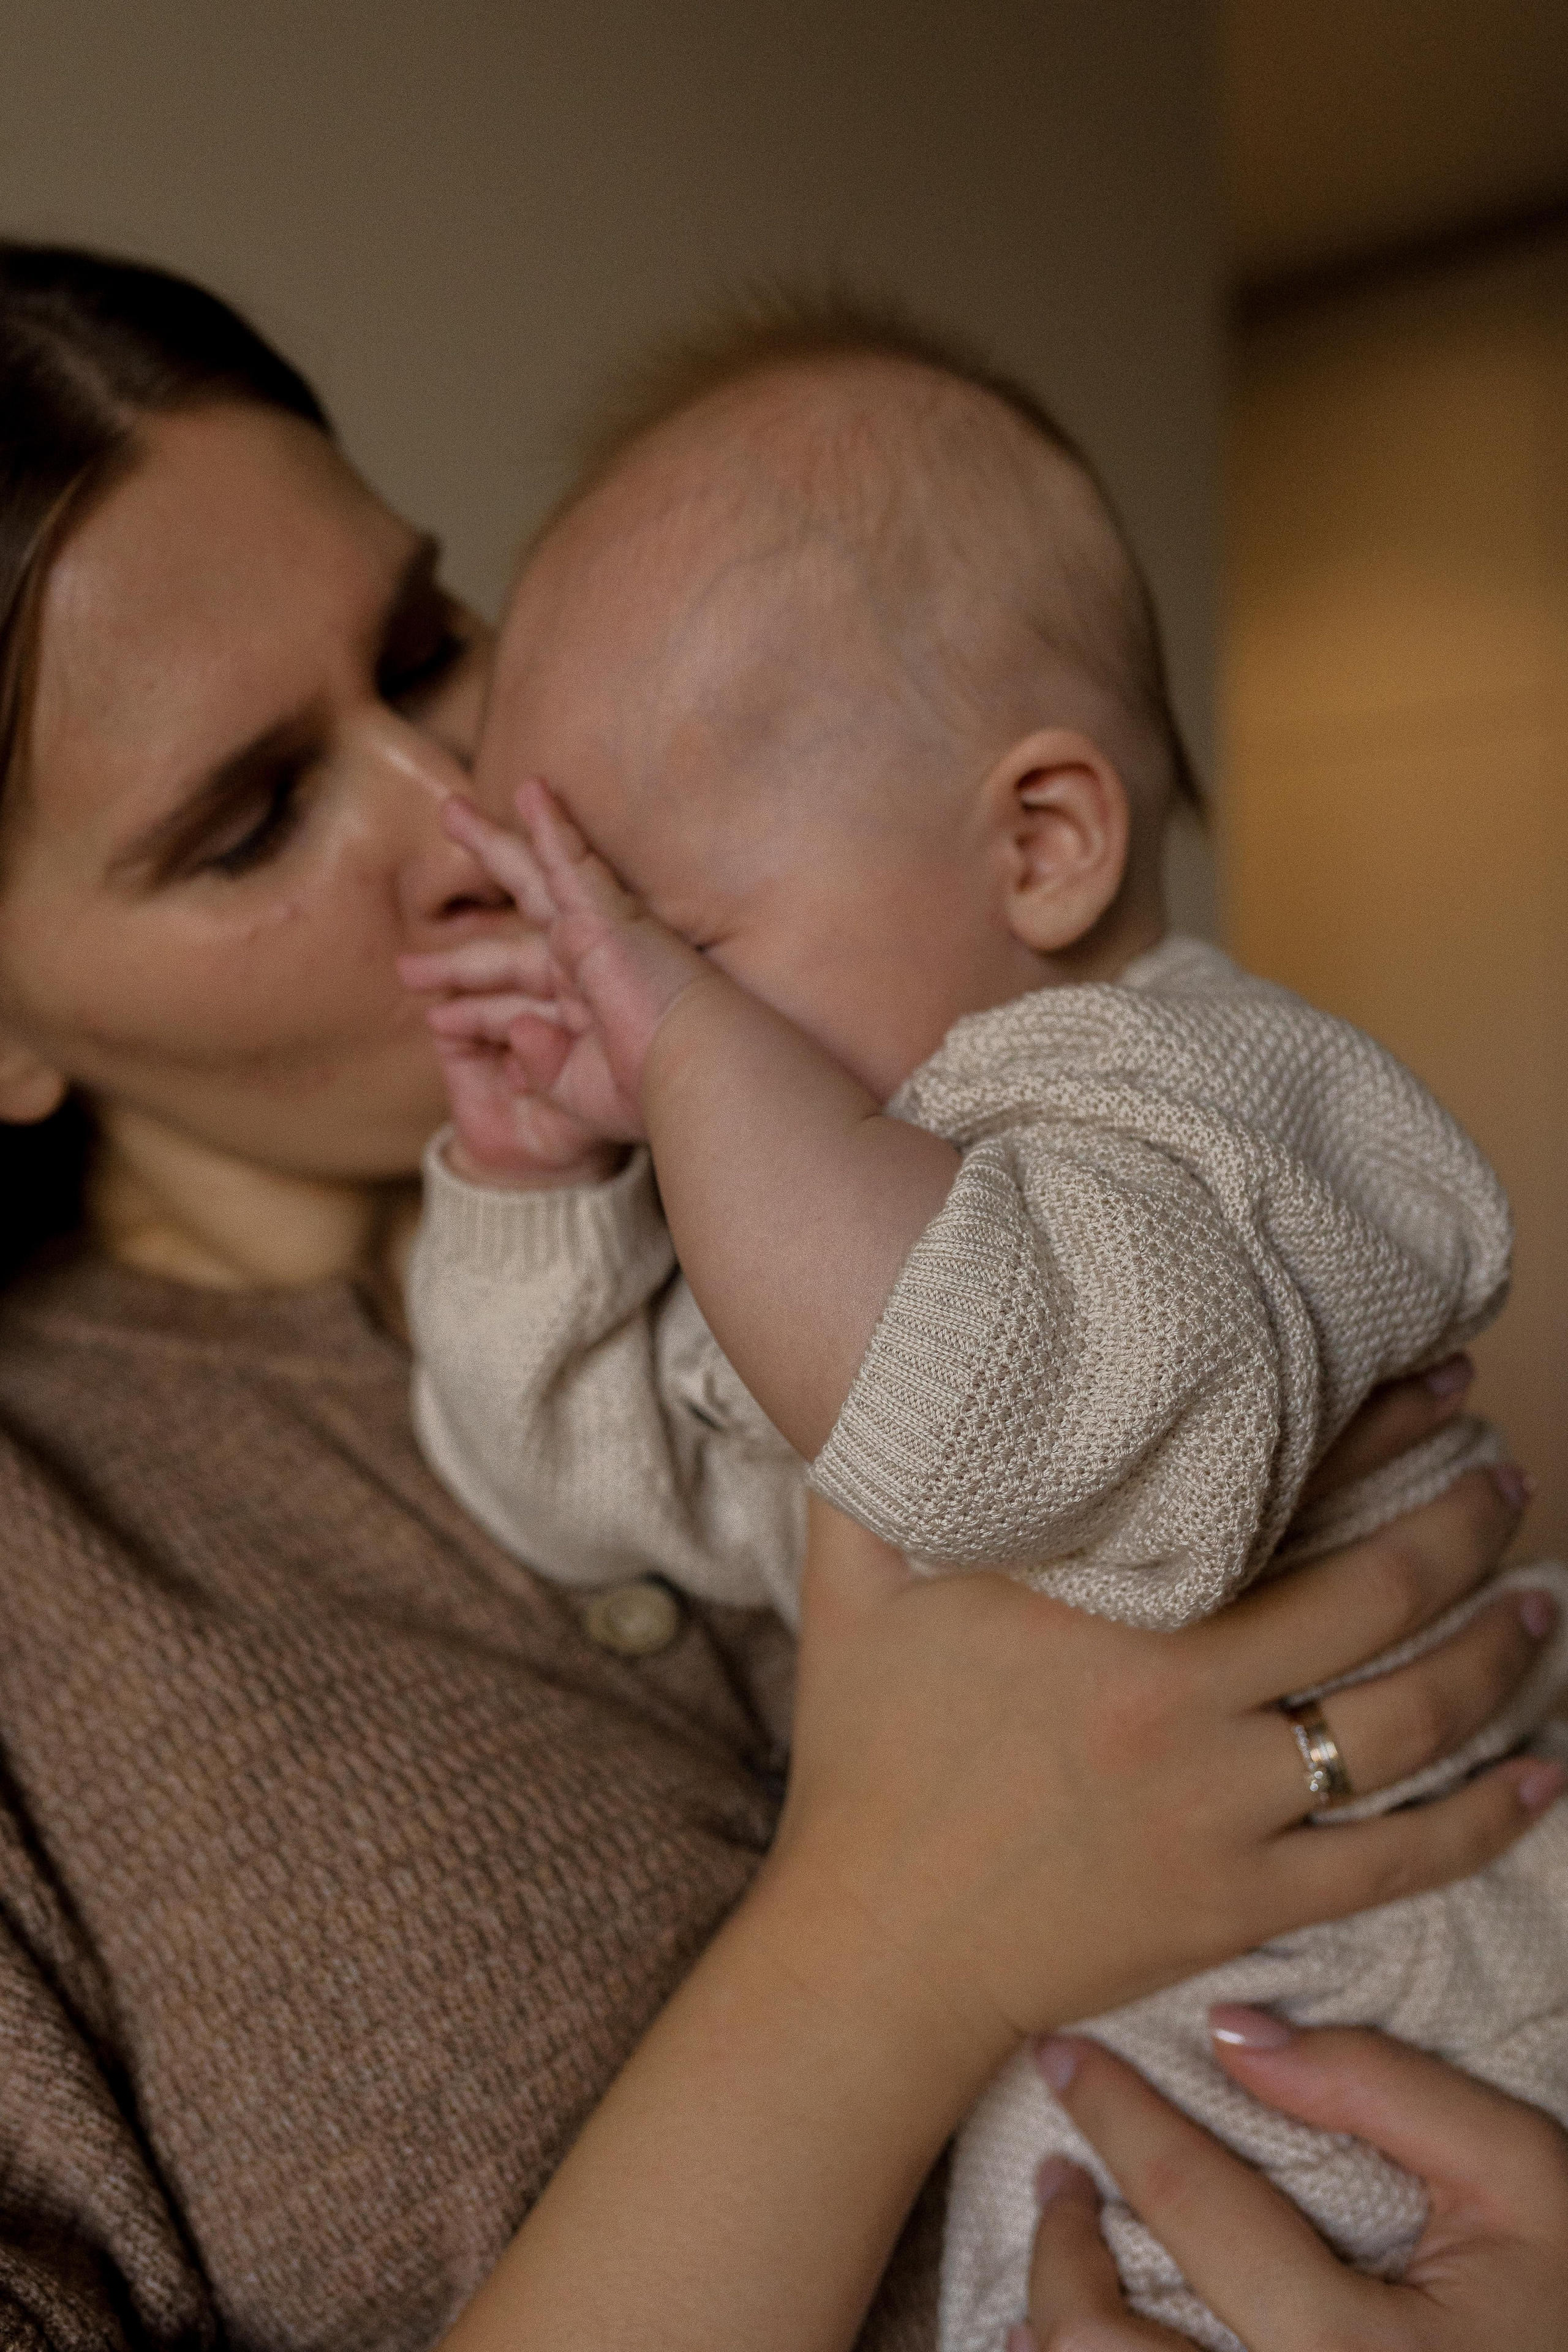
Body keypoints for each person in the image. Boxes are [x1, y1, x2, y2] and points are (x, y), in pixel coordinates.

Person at [0, 241, 1561, 2352]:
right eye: (256, 816)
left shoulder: (1099, 1100)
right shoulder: (54, 1600)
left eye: (430, 641)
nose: (470, 817)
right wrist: (893, 1936)